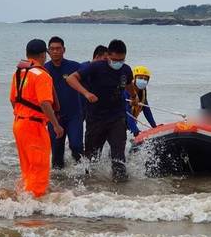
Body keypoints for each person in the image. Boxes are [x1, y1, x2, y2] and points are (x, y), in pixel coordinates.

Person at [66, 39, 135, 181]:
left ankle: (121, 188)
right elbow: (71, 79)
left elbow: (129, 85)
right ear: (108, 56)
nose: (118, 63)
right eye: (115, 59)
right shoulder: (96, 67)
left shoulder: (126, 69)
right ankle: (91, 188)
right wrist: (86, 93)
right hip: (96, 118)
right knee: (91, 158)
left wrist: (134, 96)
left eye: (121, 60)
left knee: (118, 157)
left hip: (117, 117)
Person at [10, 39, 64, 197]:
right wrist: (56, 125)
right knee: (39, 170)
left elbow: (13, 100)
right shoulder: (41, 75)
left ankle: (23, 199)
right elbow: (45, 103)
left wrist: (23, 115)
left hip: (19, 124)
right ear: (43, 54)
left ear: (27, 54)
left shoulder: (19, 73)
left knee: (27, 168)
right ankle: (34, 213)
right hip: (34, 126)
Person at [44, 36, 83, 168]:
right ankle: (60, 184)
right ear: (48, 51)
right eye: (52, 49)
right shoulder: (44, 70)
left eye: (58, 48)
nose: (55, 51)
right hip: (55, 117)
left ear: (64, 50)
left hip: (74, 115)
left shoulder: (74, 66)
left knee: (76, 145)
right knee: (56, 153)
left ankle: (85, 175)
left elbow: (90, 77)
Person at [126, 65, 157, 136]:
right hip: (120, 120)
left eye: (145, 79)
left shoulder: (143, 91)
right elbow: (127, 113)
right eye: (140, 78)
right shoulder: (126, 91)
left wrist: (154, 127)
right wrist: (135, 131)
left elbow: (146, 110)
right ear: (134, 78)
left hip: (130, 122)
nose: (143, 81)